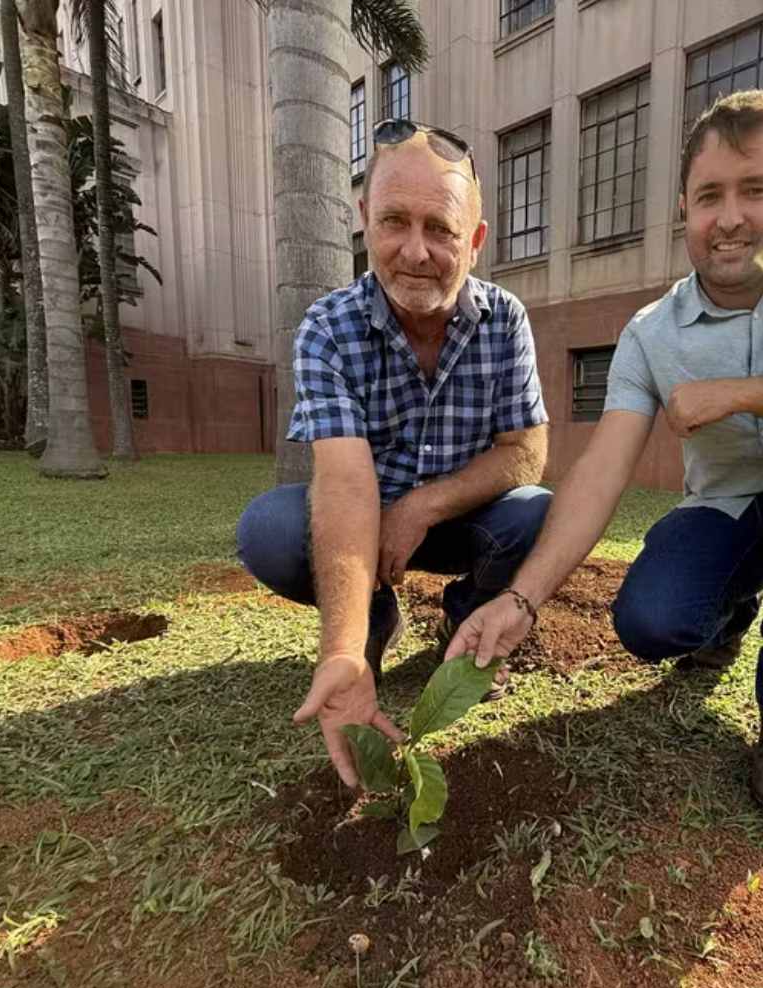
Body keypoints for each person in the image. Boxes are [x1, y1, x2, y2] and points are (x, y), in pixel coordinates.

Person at [447, 90, 763, 818]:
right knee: (650, 621)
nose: (731, 217)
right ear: (685, 207)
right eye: (710, 195)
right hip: (727, 512)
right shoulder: (654, 333)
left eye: (756, 190)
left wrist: (746, 392)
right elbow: (600, 473)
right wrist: (522, 600)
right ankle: (727, 613)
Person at [236, 120, 551, 787]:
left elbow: (525, 454)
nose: (415, 252)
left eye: (440, 228)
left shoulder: (506, 320)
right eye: (394, 222)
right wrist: (343, 651)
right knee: (270, 531)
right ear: (363, 221)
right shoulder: (329, 327)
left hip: (463, 523)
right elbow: (344, 484)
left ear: (475, 239)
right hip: (364, 527)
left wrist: (421, 507)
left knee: (536, 513)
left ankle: (467, 631)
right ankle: (375, 618)